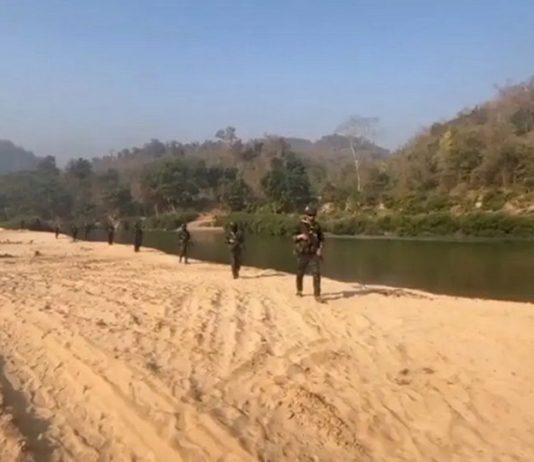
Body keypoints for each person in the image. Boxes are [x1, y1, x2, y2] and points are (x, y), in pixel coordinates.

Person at [293, 205, 325, 302]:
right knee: (300, 272)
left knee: (316, 273)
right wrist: (300, 236)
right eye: (310, 215)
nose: (312, 217)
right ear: (306, 215)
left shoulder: (317, 226)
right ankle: (299, 290)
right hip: (303, 252)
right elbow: (292, 237)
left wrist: (320, 249)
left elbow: (321, 239)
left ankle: (317, 295)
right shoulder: (300, 225)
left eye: (313, 215)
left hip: (313, 252)